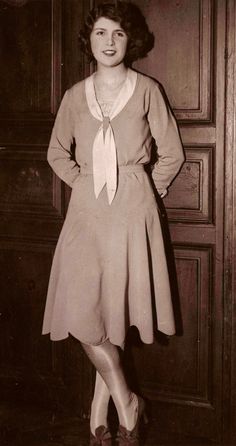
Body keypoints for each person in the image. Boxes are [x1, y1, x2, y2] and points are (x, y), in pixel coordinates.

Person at [42, 1, 185, 445]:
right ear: (89, 39)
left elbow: (173, 153)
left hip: (131, 214)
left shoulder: (147, 90)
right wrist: (84, 183)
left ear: (131, 41)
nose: (109, 42)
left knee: (115, 309)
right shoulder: (73, 96)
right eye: (101, 33)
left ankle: (99, 407)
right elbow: (55, 153)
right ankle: (127, 399)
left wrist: (145, 188)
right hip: (87, 213)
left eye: (118, 34)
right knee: (83, 310)